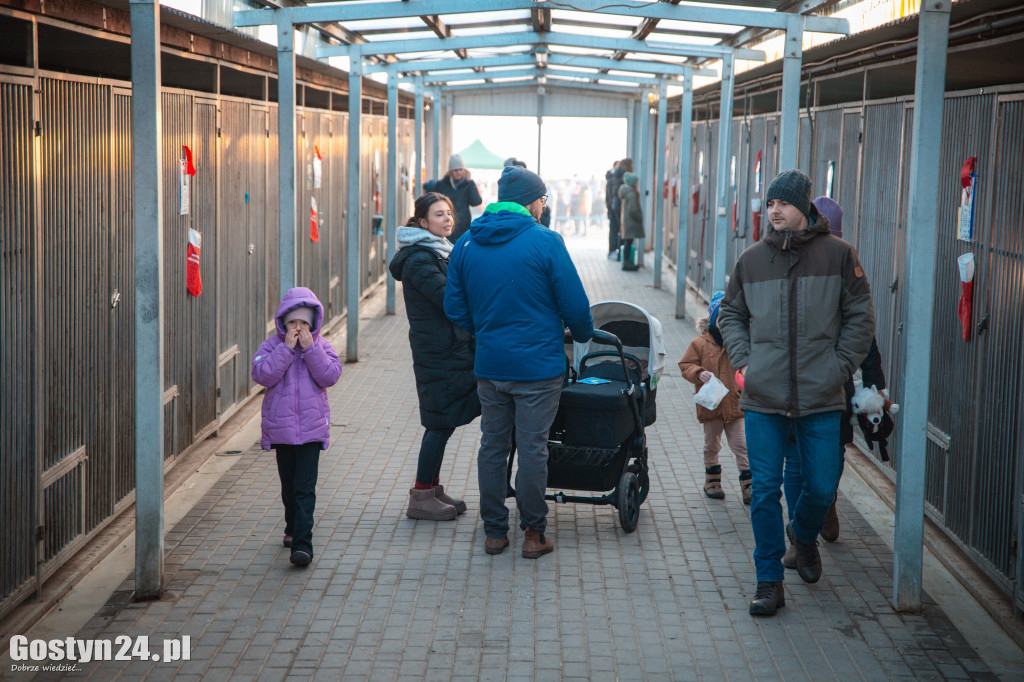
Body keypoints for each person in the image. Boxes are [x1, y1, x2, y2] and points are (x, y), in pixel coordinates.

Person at [717, 168, 874, 616]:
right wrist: (745, 359)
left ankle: (802, 536)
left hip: (821, 397)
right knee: (764, 489)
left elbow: (861, 318)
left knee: (822, 487)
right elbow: (729, 314)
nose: (774, 210)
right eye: (770, 203)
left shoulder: (840, 256)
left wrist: (839, 367)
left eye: (783, 203)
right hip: (764, 398)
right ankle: (768, 579)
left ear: (804, 208)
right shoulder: (751, 260)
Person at [445, 164, 594, 559]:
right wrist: (580, 335)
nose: (544, 206)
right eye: (543, 199)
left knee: (493, 445)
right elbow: (576, 307)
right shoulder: (546, 242)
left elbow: (454, 309)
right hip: (538, 369)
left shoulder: (465, 244)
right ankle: (533, 533)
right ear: (531, 202)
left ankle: (494, 532)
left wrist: (486, 329)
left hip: (490, 367)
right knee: (532, 448)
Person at [781, 196, 887, 566]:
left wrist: (875, 386)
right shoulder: (786, 261)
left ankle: (823, 504)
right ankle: (799, 535)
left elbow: (865, 334)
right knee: (794, 461)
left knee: (833, 458)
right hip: (791, 385)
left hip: (833, 386)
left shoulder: (844, 265)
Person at [389, 192, 481, 522]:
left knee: (444, 421)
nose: (447, 219)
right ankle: (421, 495)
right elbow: (449, 300)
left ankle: (433, 487)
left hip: (449, 349)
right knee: (439, 423)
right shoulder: (419, 259)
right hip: (438, 352)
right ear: (423, 222)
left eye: (449, 214)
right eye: (439, 215)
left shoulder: (441, 252)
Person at [252, 287, 343, 567]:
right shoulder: (272, 346)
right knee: (289, 487)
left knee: (305, 488)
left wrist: (311, 349)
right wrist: (286, 350)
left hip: (312, 430)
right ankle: (292, 528)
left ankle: (303, 545)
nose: (298, 329)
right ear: (283, 323)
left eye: (304, 324)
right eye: (293, 323)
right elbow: (262, 375)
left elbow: (330, 375)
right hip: (282, 430)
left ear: (313, 324)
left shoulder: (321, 346)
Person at [678, 291, 752, 504]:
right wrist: (698, 372)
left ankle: (749, 485)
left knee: (741, 445)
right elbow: (685, 365)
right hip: (711, 407)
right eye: (721, 318)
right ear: (713, 319)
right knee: (712, 445)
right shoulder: (699, 343)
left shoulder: (740, 342)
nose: (726, 323)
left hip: (736, 405)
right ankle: (712, 481)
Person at [424, 154, 482, 242]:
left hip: (463, 231)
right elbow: (430, 204)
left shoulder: (467, 185)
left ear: (464, 171)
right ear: (450, 171)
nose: (458, 172)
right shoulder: (441, 185)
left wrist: (470, 181)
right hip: (445, 230)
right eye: (455, 170)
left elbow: (476, 201)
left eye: (460, 169)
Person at [618, 170, 644, 271]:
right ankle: (627, 263)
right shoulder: (631, 194)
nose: (638, 184)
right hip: (631, 222)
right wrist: (639, 217)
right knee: (629, 242)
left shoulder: (626, 192)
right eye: (637, 182)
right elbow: (633, 209)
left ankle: (626, 262)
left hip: (627, 222)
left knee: (627, 242)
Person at [605, 161, 621, 259]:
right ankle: (612, 251)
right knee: (614, 230)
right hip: (613, 209)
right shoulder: (612, 180)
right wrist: (611, 207)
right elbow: (609, 196)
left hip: (613, 208)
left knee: (615, 230)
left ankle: (614, 250)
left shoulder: (612, 179)